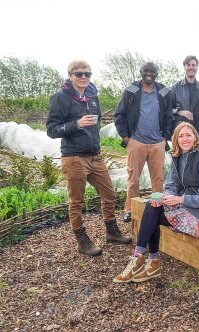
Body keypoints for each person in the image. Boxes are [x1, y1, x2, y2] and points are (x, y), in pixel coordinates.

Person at [47, 60, 131, 256]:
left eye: (87, 74)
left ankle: (111, 231)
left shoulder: (92, 95)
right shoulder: (60, 98)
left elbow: (98, 119)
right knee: (76, 202)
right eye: (79, 74)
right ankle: (81, 240)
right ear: (70, 75)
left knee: (109, 194)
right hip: (74, 157)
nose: (84, 77)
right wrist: (77, 124)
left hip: (95, 155)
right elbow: (52, 130)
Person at [113, 122, 199, 283]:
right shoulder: (177, 157)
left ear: (196, 137)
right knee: (153, 205)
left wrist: (180, 199)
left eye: (189, 135)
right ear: (175, 140)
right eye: (181, 136)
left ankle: (145, 259)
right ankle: (146, 258)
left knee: (151, 217)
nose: (185, 139)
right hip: (184, 207)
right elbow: (170, 186)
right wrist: (166, 197)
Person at [114, 62, 176, 223]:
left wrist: (165, 137)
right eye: (146, 71)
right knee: (133, 178)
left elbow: (169, 116)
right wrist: (126, 138)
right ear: (140, 72)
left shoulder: (163, 92)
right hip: (137, 142)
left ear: (157, 74)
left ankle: (157, 208)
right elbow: (119, 115)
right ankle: (130, 209)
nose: (149, 74)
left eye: (152, 71)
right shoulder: (131, 91)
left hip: (157, 143)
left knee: (158, 179)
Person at [171, 55, 199, 151]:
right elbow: (167, 109)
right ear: (184, 67)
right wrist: (180, 112)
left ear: (197, 67)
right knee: (183, 162)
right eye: (188, 65)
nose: (191, 67)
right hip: (183, 135)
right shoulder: (175, 88)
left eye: (194, 65)